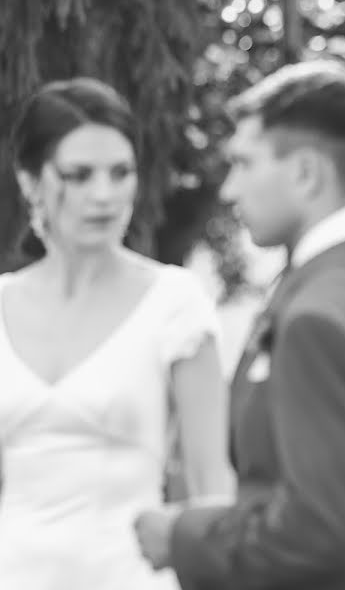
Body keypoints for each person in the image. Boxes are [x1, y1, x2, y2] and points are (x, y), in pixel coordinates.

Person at [134, 61, 345, 590]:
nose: (229, 189)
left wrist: (182, 535)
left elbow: (318, 533)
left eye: (244, 164)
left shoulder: (319, 314)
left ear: (306, 173)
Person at [0, 77, 234, 590]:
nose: (103, 195)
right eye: (78, 175)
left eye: (120, 173)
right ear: (30, 181)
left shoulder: (175, 302)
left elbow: (210, 487)